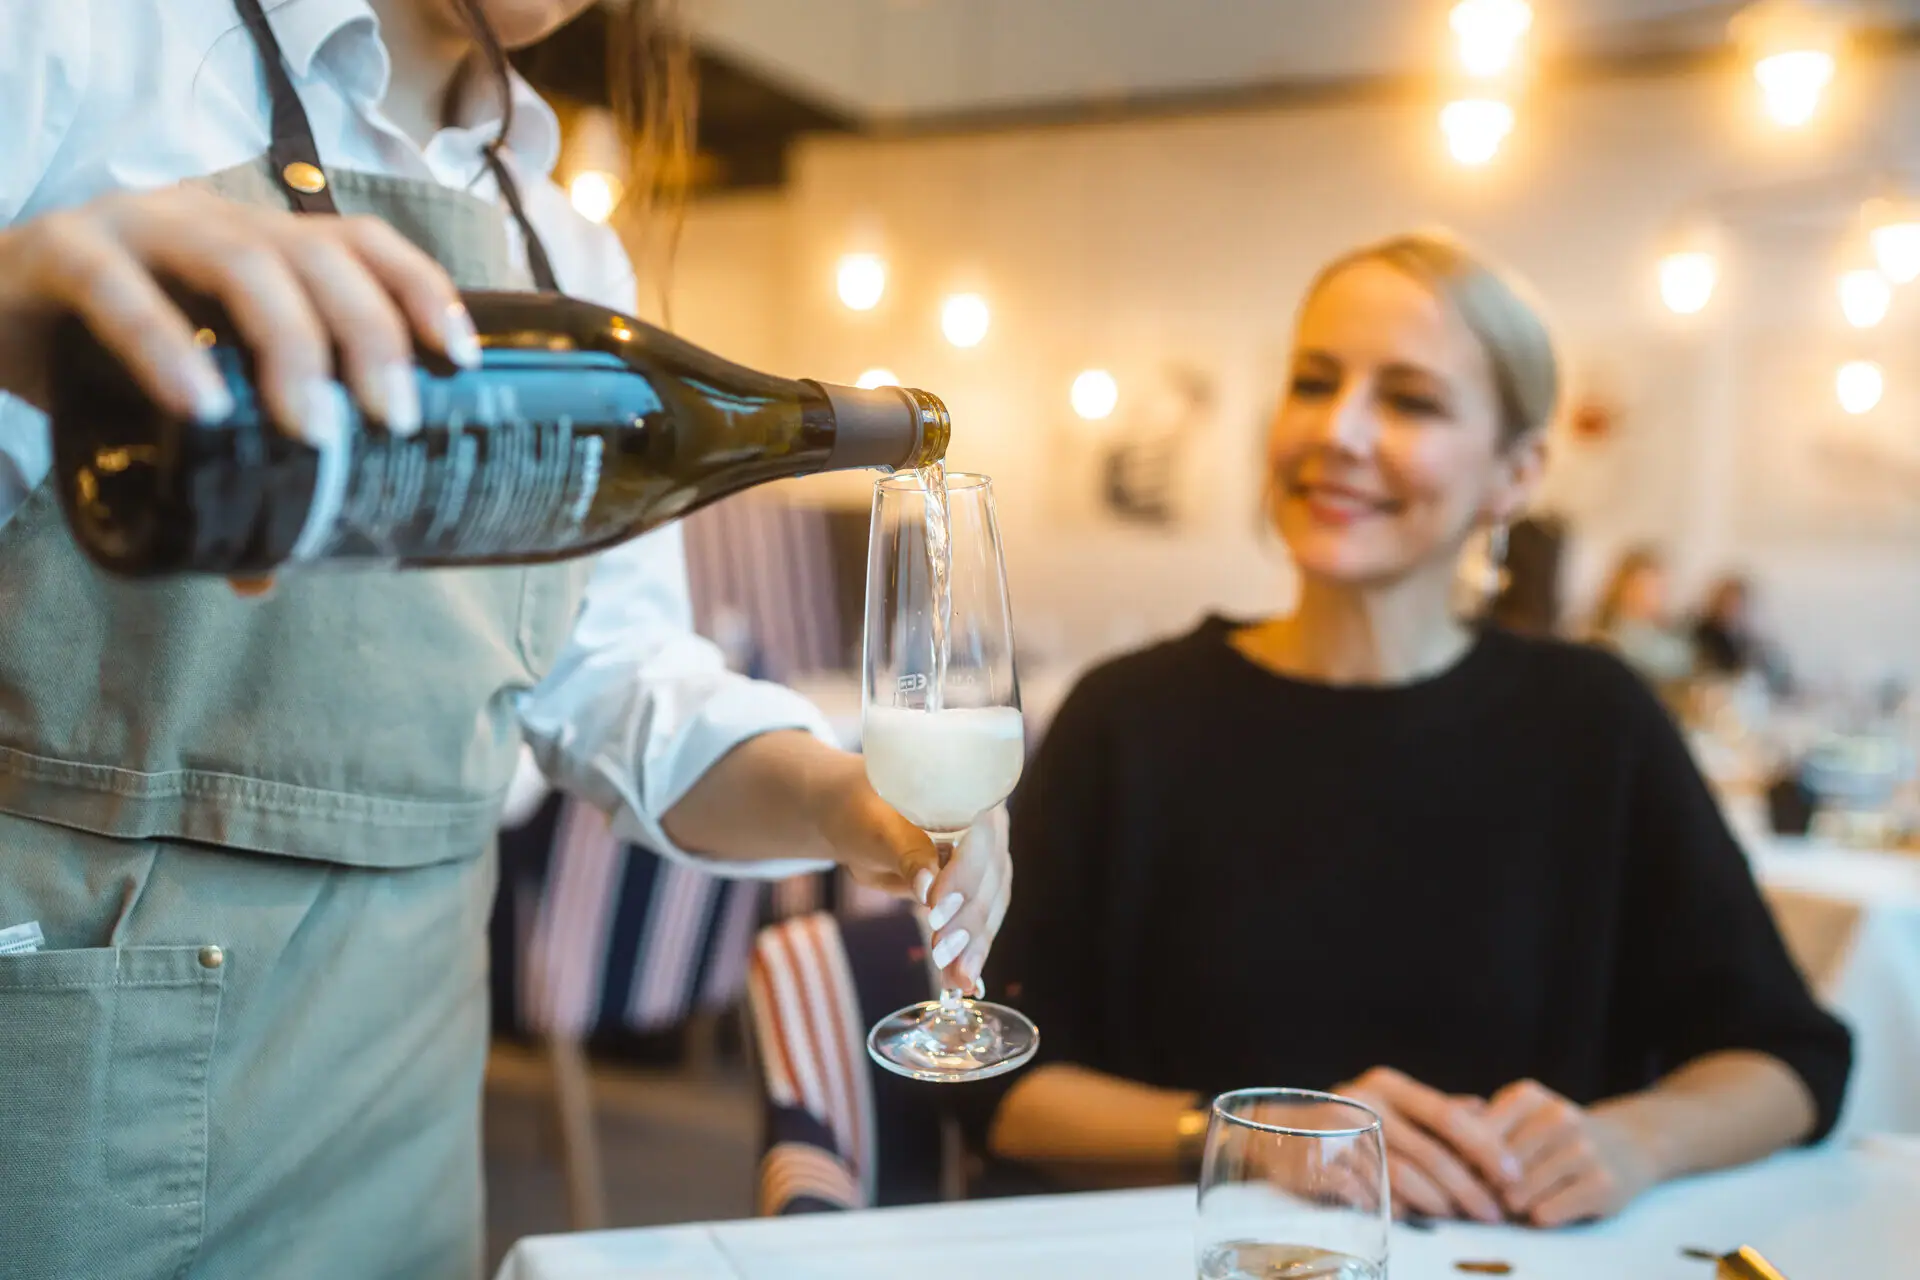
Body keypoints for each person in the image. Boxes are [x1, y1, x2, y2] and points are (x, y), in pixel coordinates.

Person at [0, 4, 1007, 1277]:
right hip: (77, 1032)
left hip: (408, 1063)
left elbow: (611, 680)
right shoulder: (86, 42)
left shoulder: (571, 251)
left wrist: (844, 796)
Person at [967, 232, 1849, 1228]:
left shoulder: (1595, 722)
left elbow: (1791, 1055)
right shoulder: (1127, 717)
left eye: (1411, 400)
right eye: (1314, 381)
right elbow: (996, 1084)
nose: (1339, 431)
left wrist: (1639, 1136)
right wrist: (1256, 1138)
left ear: (1515, 474)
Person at [1589, 545, 1693, 685]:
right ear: (1627, 588)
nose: (1662, 596)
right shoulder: (1609, 637)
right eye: (1655, 587)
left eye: (1663, 588)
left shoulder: (1656, 630)